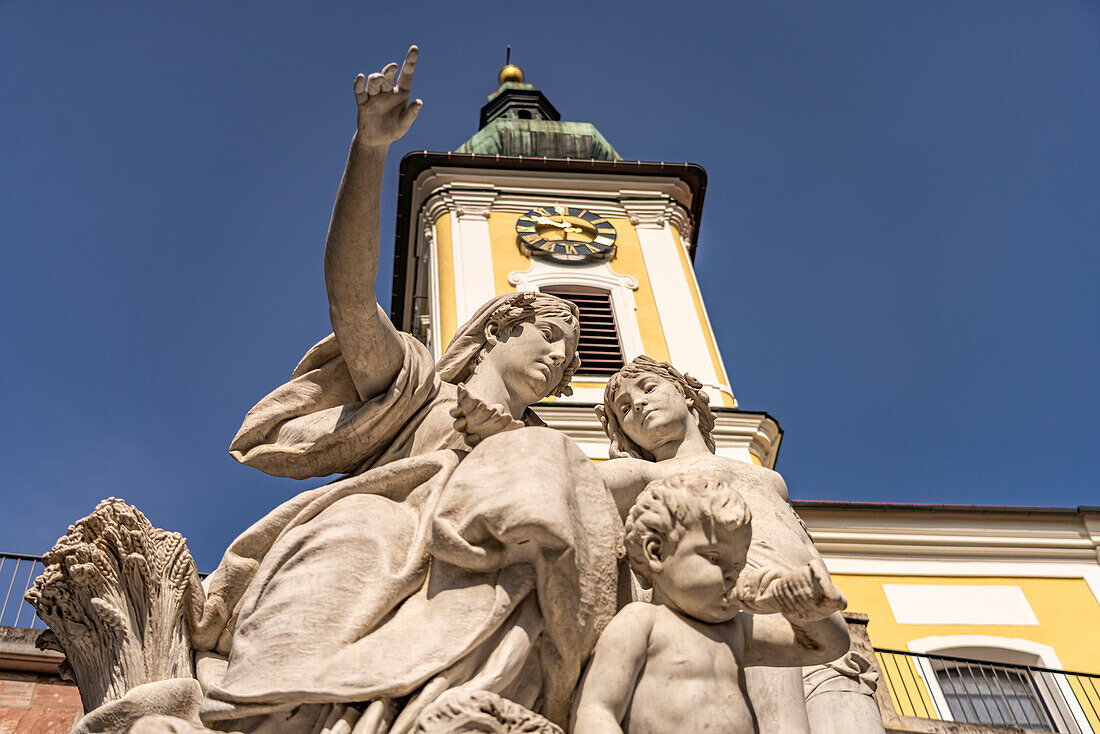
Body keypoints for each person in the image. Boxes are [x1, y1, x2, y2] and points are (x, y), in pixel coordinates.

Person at [183, 47, 622, 734]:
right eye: (552, 336)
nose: (565, 357)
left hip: (492, 581)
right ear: (497, 329)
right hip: (377, 540)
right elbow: (352, 300)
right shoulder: (416, 385)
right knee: (363, 534)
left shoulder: (549, 453)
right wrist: (370, 151)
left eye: (573, 354)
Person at [593, 355, 843, 733]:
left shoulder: (771, 480)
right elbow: (573, 486)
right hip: (736, 614)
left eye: (648, 388)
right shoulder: (642, 473)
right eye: (624, 408)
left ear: (687, 396)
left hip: (814, 614)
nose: (638, 405)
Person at [572, 474, 849, 734]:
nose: (732, 574)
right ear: (656, 551)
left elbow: (829, 647)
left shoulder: (737, 629)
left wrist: (799, 609)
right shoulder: (642, 620)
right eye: (714, 558)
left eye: (738, 564)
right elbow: (597, 707)